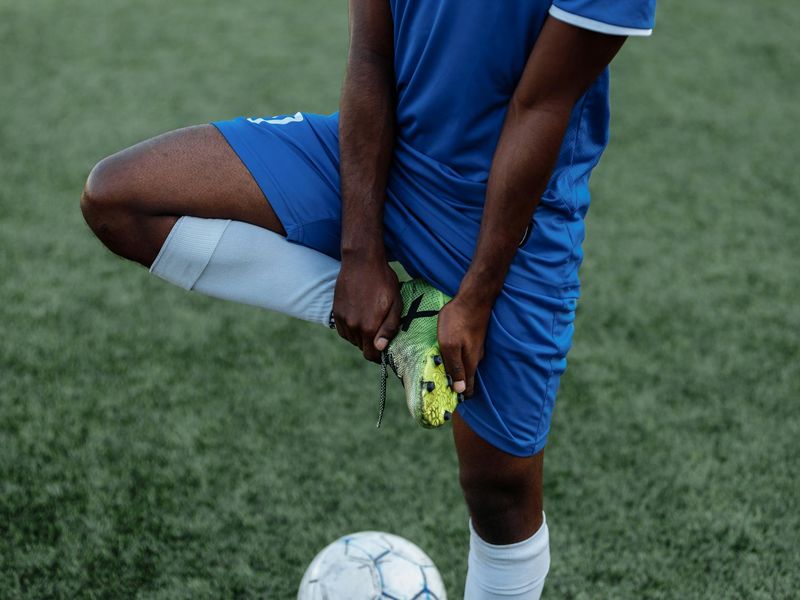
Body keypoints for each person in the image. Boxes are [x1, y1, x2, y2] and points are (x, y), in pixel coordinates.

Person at [80, 1, 656, 597]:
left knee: (501, 492)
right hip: (383, 151)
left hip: (509, 215)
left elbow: (540, 107)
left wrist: (478, 296)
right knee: (118, 200)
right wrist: (359, 251)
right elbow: (371, 54)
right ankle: (407, 320)